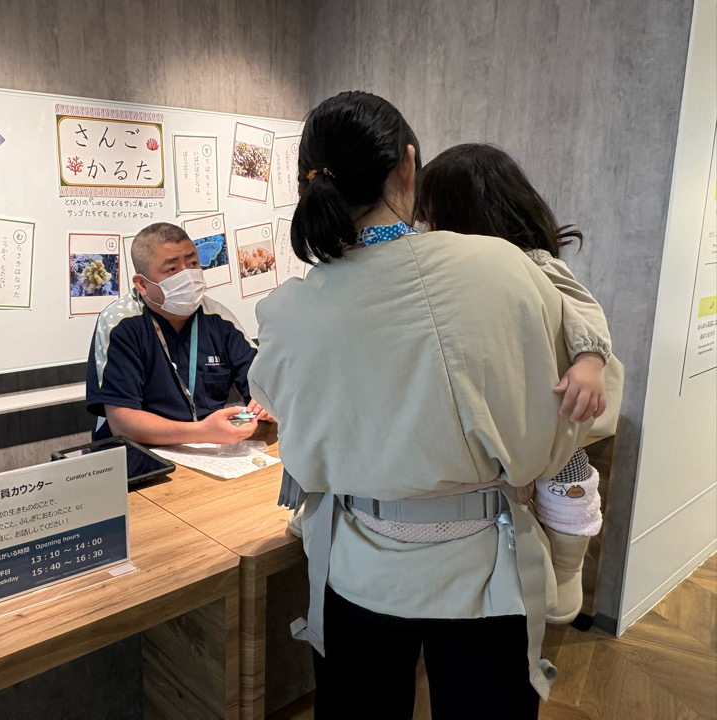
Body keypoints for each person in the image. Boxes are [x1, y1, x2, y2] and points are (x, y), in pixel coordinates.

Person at [248, 92, 619, 719]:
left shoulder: (285, 310)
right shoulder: (505, 267)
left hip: (354, 566)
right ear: (407, 167)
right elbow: (566, 420)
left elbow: (292, 430)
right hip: (486, 567)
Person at [414, 143, 624, 624]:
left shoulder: (536, 263)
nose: (424, 228)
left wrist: (590, 360)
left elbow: (585, 309)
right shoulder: (450, 276)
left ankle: (567, 567)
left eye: (431, 217)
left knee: (567, 472)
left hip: (544, 408)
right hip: (491, 410)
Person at [86, 222, 270, 445]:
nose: (188, 276)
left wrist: (266, 405)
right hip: (140, 458)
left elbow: (264, 385)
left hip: (212, 452)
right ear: (142, 284)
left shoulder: (220, 319)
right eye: (172, 269)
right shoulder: (120, 323)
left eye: (193, 263)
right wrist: (203, 432)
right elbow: (123, 422)